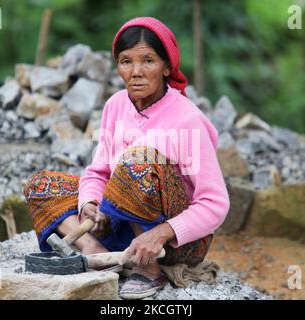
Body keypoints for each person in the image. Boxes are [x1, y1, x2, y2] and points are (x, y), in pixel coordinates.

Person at [23, 17, 230, 300]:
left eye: (148, 61)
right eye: (126, 61)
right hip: (118, 226)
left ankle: (148, 269)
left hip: (174, 242)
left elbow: (215, 203)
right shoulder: (115, 105)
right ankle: (96, 254)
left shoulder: (187, 119)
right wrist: (90, 205)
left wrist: (160, 233)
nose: (136, 72)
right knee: (41, 184)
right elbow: (97, 173)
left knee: (137, 160)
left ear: (167, 67)